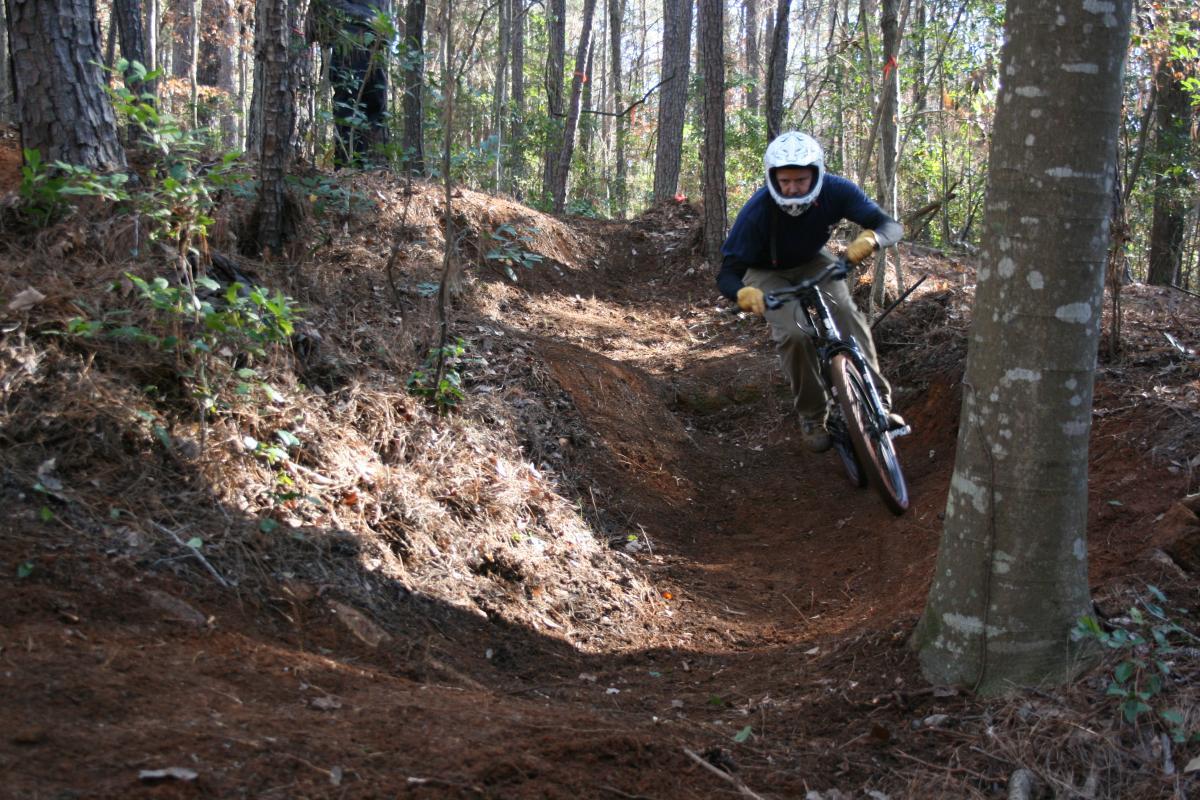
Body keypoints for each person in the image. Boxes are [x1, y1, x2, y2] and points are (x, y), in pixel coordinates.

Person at [718, 131, 905, 453]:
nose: (792, 188)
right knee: (794, 334)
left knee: (847, 314)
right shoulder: (757, 211)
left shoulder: (836, 191)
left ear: (816, 174)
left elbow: (889, 225)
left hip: (813, 260)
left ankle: (879, 401)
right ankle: (813, 416)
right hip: (766, 272)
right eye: (785, 180)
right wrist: (743, 294)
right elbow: (728, 272)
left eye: (801, 180)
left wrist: (871, 239)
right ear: (772, 178)